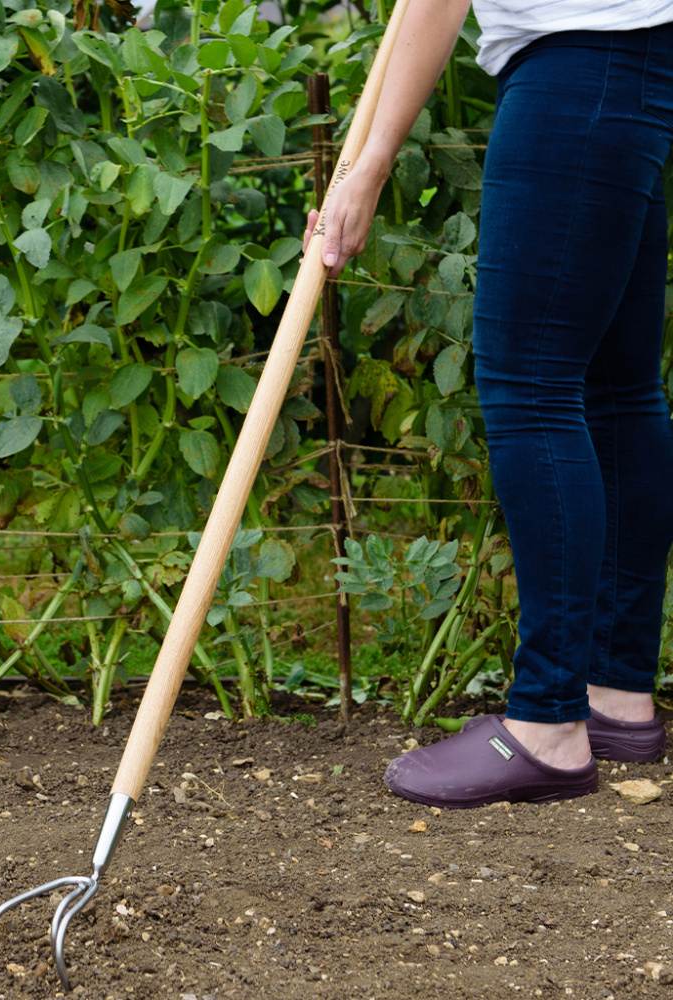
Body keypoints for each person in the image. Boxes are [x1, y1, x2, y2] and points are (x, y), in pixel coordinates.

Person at [304, 0, 673, 808]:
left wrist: (365, 169)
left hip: (575, 73)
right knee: (618, 389)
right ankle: (616, 697)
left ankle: (547, 727)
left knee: (531, 387)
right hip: (636, 57)